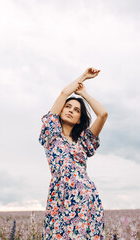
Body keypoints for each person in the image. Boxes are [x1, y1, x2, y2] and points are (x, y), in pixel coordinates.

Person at [39, 67, 108, 239]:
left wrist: (84, 94)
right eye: (68, 107)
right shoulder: (52, 135)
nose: (70, 110)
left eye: (76, 110)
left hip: (86, 199)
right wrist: (83, 77)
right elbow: (63, 94)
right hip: (61, 198)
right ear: (61, 110)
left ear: (79, 119)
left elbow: (103, 114)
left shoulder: (83, 141)